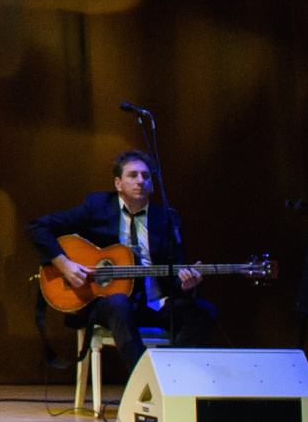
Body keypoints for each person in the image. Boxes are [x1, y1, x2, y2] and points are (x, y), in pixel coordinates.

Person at [26, 150, 220, 373]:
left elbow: (176, 271)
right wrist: (65, 265)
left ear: (153, 184)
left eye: (146, 176)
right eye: (133, 175)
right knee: (119, 302)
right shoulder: (97, 207)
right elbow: (37, 227)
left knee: (204, 310)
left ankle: (176, 377)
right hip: (111, 304)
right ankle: (144, 382)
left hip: (156, 304)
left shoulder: (167, 219)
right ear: (118, 183)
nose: (141, 181)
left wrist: (185, 285)